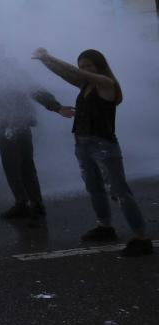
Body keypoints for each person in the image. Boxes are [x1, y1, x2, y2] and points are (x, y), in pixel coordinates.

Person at [33, 47, 153, 256]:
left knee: (119, 192)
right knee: (94, 188)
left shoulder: (107, 84)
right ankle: (104, 226)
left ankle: (141, 238)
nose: (85, 70)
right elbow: (65, 73)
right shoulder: (86, 85)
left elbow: (75, 73)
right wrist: (45, 62)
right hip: (82, 143)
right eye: (82, 66)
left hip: (103, 146)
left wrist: (48, 56)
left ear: (99, 66)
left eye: (89, 66)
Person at [0, 45, 67, 221]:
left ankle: (36, 207)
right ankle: (22, 203)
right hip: (6, 125)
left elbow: (36, 91)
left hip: (17, 125)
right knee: (12, 167)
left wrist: (55, 106)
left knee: (24, 167)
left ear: (0, 56)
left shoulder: (13, 73)